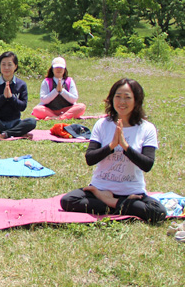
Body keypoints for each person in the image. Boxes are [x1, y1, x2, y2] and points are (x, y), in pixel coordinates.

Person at [60, 79, 167, 223]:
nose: (122, 101)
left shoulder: (147, 128)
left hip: (131, 193)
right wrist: (111, 146)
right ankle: (118, 204)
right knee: (68, 201)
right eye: (118, 96)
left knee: (158, 213)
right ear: (111, 98)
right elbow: (90, 159)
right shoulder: (103, 124)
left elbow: (147, 165)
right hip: (100, 189)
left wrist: (125, 146)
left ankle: (111, 203)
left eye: (127, 97)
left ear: (136, 100)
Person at [0, 51, 37, 138]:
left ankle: (4, 134)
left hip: (15, 122)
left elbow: (23, 107)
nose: (6, 67)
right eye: (3, 64)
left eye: (9, 64)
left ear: (15, 66)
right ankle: (16, 133)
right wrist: (3, 98)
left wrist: (11, 97)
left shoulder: (21, 84)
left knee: (32, 121)